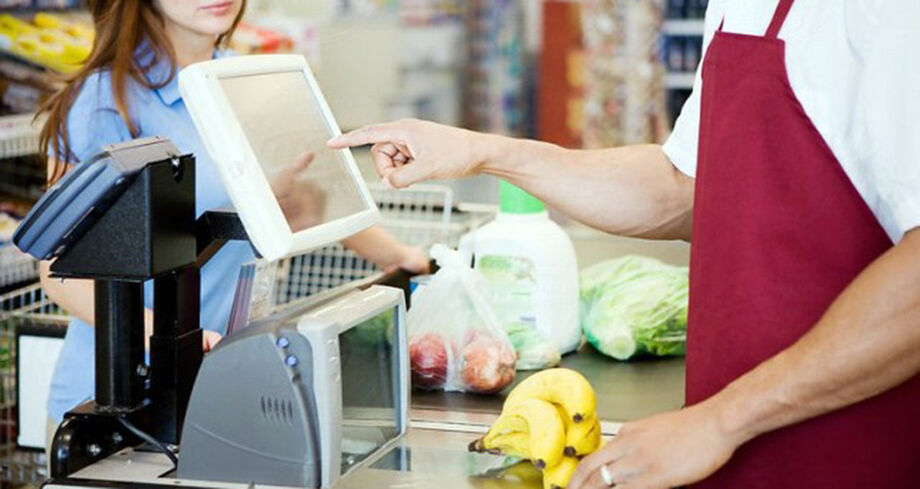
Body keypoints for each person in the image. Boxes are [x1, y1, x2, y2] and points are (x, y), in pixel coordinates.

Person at [329, 0, 920, 487]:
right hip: (738, 450)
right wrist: (484, 151)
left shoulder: (883, 15)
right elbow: (681, 188)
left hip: (847, 452)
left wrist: (722, 421)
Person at [37, 0, 428, 450]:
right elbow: (59, 273)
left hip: (218, 384)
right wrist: (168, 341)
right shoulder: (106, 100)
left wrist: (406, 259)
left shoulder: (247, 81)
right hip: (119, 405)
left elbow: (323, 201)